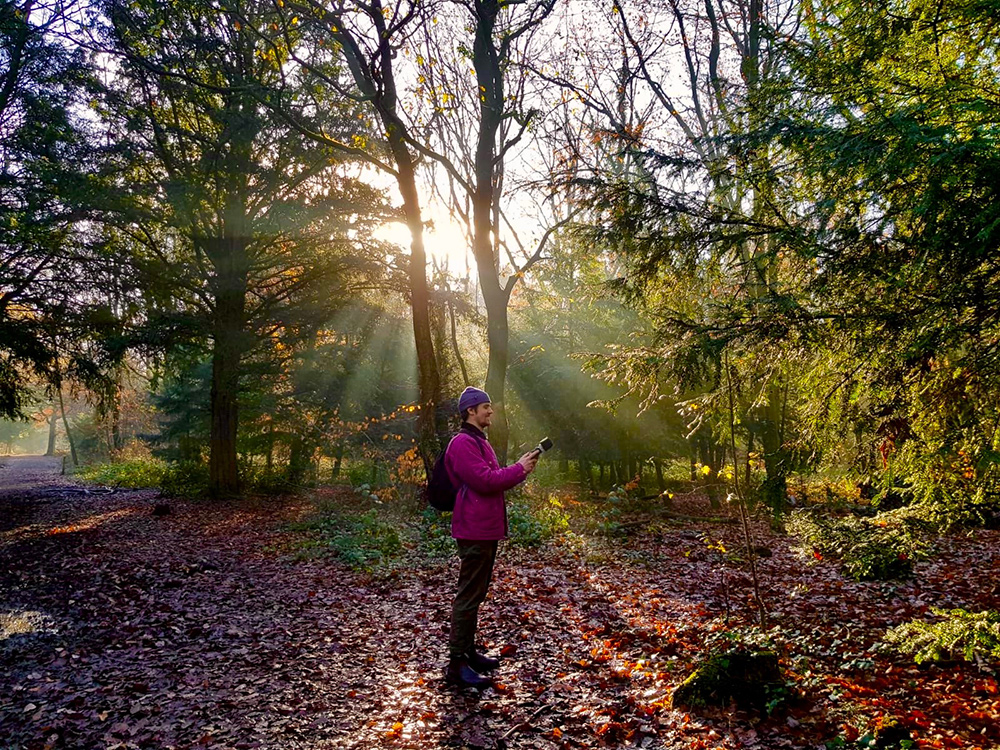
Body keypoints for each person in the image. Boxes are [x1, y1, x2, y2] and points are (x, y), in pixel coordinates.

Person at [444, 386, 538, 688]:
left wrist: (518, 469)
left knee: (476, 594)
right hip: (473, 530)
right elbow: (485, 482)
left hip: (483, 529)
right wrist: (519, 469)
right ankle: (456, 664)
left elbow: (491, 481)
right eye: (485, 406)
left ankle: (469, 653)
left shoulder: (478, 441)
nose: (491, 411)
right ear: (471, 410)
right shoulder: (462, 443)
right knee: (468, 596)